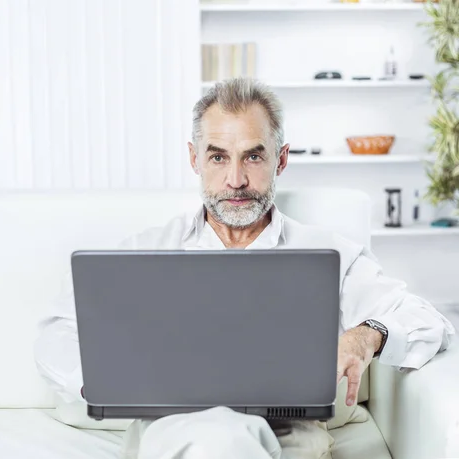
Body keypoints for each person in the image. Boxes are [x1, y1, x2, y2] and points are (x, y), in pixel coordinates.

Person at [34, 77, 455, 459]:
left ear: (281, 159)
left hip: (290, 434)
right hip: (176, 429)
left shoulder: (331, 253)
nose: (235, 180)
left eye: (253, 157)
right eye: (218, 158)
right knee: (212, 440)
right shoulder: (147, 251)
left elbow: (428, 321)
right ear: (194, 159)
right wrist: (108, 378)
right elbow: (56, 332)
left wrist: (366, 337)